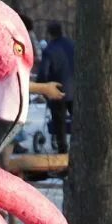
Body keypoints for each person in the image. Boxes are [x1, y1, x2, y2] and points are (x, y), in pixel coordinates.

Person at [34, 20, 75, 152]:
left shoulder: (49, 50)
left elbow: (43, 73)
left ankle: (63, 148)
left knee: (59, 121)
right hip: (76, 89)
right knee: (78, 119)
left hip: (57, 90)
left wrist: (41, 87)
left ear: (49, 33)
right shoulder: (73, 45)